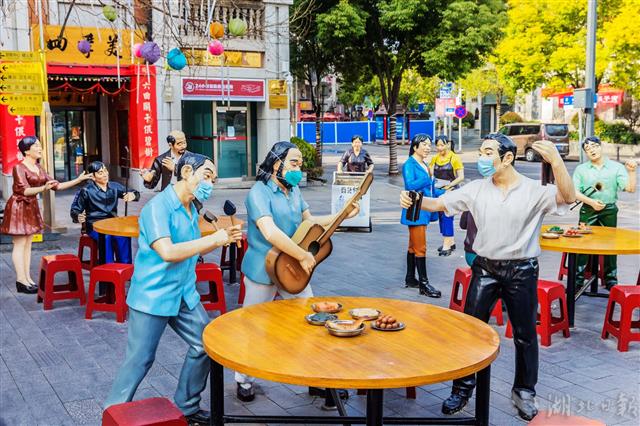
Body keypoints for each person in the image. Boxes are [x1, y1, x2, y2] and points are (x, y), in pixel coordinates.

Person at [400, 134, 576, 421]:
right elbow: (440, 204)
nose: (481, 158)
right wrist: (414, 199)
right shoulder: (477, 189)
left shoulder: (533, 190)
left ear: (507, 158)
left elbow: (567, 197)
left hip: (522, 271)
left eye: (487, 152)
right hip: (485, 269)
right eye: (481, 152)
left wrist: (556, 161)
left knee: (525, 335)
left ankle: (524, 391)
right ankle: (462, 388)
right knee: (469, 331)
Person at [105, 153, 242, 425]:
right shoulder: (157, 208)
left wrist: (222, 237)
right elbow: (167, 252)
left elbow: (191, 251)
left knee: (205, 344)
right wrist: (214, 240)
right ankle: (112, 413)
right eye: (207, 176)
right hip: (153, 295)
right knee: (140, 360)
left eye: (213, 180)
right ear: (187, 171)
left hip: (184, 293)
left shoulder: (192, 208)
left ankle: (187, 406)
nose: (210, 184)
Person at [237, 141, 359, 405]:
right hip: (263, 268)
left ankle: (316, 378)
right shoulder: (258, 192)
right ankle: (243, 379)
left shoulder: (293, 191)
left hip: (293, 269)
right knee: (254, 325)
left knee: (311, 321)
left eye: (300, 163)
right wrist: (303, 255)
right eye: (293, 162)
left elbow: (310, 222)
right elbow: (270, 232)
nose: (298, 168)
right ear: (276, 164)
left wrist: (342, 215)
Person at [0, 136, 91, 294]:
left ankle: (27, 279)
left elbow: (57, 186)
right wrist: (43, 188)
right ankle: (21, 280)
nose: (40, 148)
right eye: (36, 146)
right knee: (20, 244)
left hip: (31, 206)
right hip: (19, 207)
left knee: (28, 243)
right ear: (27, 151)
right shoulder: (19, 168)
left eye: (39, 145)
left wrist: (79, 179)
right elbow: (24, 191)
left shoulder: (39, 167)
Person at [572, 136, 637, 290]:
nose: (592, 150)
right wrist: (591, 202)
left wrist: (631, 172)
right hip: (588, 209)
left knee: (611, 245)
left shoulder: (616, 167)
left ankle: (611, 280)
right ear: (585, 153)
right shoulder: (581, 169)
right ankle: (577, 280)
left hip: (609, 210)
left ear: (601, 146)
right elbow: (574, 192)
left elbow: (630, 189)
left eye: (594, 146)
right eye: (587, 148)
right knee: (581, 243)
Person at [70, 161, 140, 264]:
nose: (105, 174)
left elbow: (135, 192)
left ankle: (125, 267)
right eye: (100, 172)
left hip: (112, 224)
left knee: (122, 235)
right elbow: (75, 209)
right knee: (106, 237)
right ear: (93, 177)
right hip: (94, 226)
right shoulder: (86, 191)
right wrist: (78, 216)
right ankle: (107, 268)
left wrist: (132, 195)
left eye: (105, 171)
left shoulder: (114, 187)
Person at [400, 134, 441, 298]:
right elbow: (410, 185)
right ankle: (424, 284)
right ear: (415, 146)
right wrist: (428, 177)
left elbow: (430, 189)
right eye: (424, 144)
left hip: (423, 208)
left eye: (429, 145)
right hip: (415, 209)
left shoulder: (423, 164)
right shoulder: (409, 164)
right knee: (420, 247)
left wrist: (446, 193)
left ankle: (410, 278)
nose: (428, 148)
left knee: (413, 246)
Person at [429, 136, 464, 256]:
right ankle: (450, 241)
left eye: (442, 145)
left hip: (450, 191)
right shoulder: (435, 158)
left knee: (447, 216)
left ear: (448, 144)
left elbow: (461, 177)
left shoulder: (455, 158)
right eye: (437, 145)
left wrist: (449, 186)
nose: (439, 148)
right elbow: (430, 173)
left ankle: (447, 243)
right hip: (438, 191)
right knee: (441, 217)